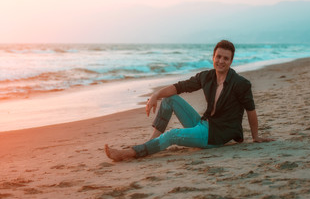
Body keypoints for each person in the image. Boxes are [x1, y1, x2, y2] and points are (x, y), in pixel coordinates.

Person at [105, 40, 274, 161]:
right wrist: (156, 95)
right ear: (213, 57)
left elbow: (251, 110)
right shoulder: (206, 76)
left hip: (215, 135)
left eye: (225, 58)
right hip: (203, 124)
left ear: (231, 61)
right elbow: (179, 87)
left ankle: (131, 153)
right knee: (169, 99)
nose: (221, 61)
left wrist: (256, 136)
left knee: (172, 135)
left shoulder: (241, 84)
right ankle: (150, 143)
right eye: (218, 57)